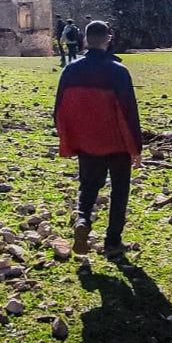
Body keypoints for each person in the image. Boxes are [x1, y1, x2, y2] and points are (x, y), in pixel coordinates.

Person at [53, 21, 141, 256]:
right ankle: (113, 240)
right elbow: (129, 112)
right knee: (120, 191)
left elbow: (59, 109)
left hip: (87, 141)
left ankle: (82, 220)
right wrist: (136, 147)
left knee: (88, 186)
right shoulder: (118, 72)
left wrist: (68, 137)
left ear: (85, 39)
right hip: (117, 142)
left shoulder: (70, 70)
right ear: (108, 38)